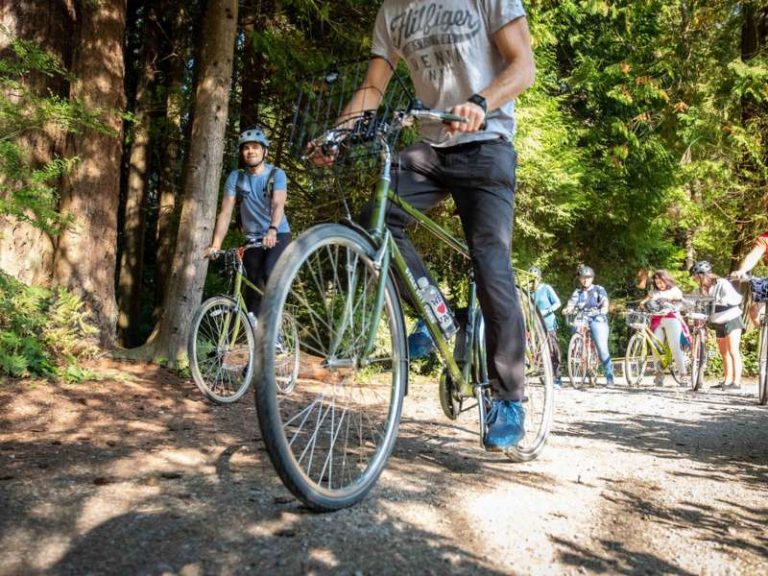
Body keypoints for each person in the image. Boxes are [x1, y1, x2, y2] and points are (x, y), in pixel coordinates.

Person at [310, 1, 536, 451]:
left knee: (491, 266)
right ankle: (442, 318)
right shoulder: (391, 11)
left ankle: (508, 397)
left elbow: (523, 65)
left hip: (486, 142)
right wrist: (336, 132)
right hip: (431, 149)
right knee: (377, 219)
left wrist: (480, 102)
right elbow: (374, 86)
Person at [205, 127, 291, 323]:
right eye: (246, 148)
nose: (250, 151)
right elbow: (226, 212)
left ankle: (275, 327)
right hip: (253, 238)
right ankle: (255, 332)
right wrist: (216, 244)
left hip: (278, 234)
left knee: (270, 273)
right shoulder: (237, 177)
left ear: (265, 151)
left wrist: (273, 229)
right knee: (251, 284)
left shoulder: (276, 174)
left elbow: (278, 203)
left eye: (255, 147)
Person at [690, 260, 743, 390]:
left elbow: (737, 298)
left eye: (696, 277)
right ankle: (727, 380)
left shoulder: (722, 284)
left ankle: (736, 382)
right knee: (723, 352)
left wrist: (723, 300)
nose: (695, 280)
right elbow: (692, 301)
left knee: (733, 350)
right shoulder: (701, 290)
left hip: (731, 318)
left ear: (703, 275)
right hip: (718, 321)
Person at [562, 266, 615, 386]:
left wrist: (604, 309)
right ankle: (582, 365)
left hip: (597, 318)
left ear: (592, 278)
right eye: (582, 277)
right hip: (582, 318)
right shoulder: (577, 292)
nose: (585, 280)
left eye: (588, 277)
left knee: (602, 348)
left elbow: (605, 302)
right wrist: (567, 309)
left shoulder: (599, 289)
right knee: (576, 338)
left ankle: (609, 377)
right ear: (579, 279)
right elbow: (571, 303)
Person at [640, 269, 689, 386]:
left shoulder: (674, 290)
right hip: (657, 320)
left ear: (667, 280)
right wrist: (643, 305)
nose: (659, 285)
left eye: (661, 282)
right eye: (657, 282)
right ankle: (659, 373)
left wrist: (672, 306)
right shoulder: (654, 292)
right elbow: (644, 301)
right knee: (655, 345)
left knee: (675, 346)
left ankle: (683, 374)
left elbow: (680, 304)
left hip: (671, 319)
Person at [529, 266, 562, 388]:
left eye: (535, 279)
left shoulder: (546, 288)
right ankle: (544, 375)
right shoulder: (528, 292)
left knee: (553, 350)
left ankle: (557, 378)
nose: (533, 281)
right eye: (531, 279)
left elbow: (557, 303)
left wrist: (546, 311)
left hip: (549, 324)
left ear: (539, 278)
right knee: (538, 352)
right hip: (535, 327)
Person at [731, 231, 768, 327]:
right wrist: (742, 271)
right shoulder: (765, 238)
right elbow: (754, 256)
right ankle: (764, 334)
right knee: (754, 312)